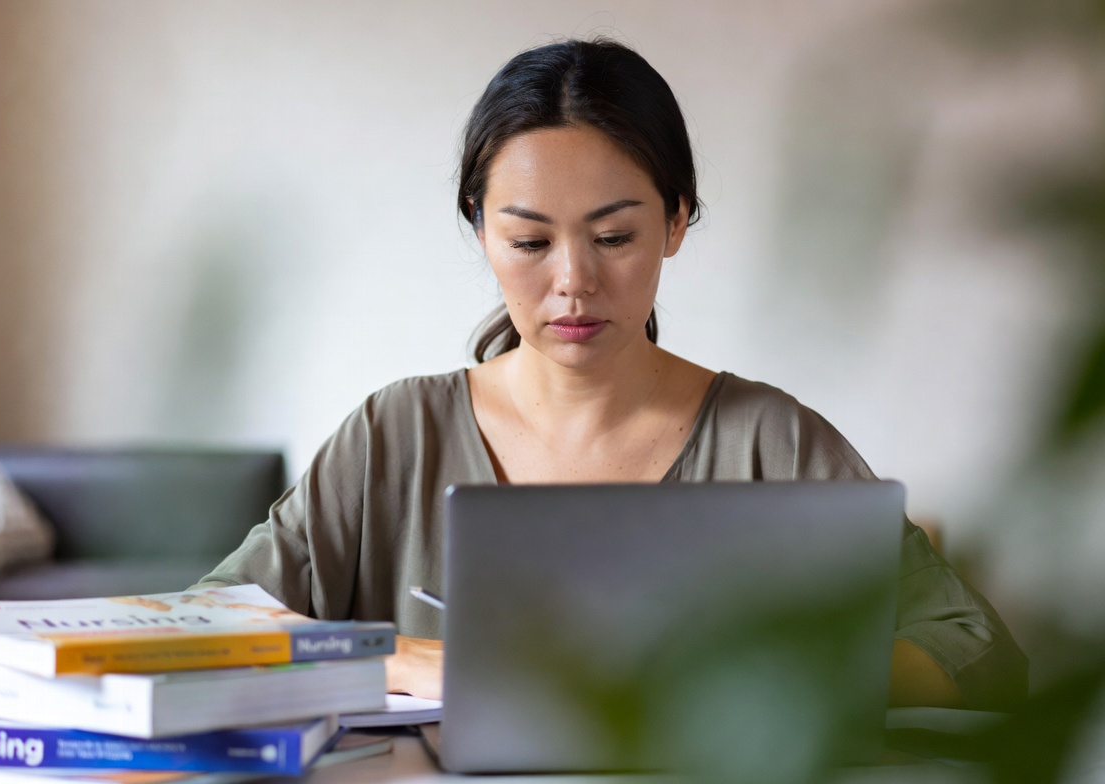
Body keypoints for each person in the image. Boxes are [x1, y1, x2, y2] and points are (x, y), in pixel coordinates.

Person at [195, 38, 1027, 710]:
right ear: (480, 232)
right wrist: (398, 656)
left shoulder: (769, 439)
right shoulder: (391, 437)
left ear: (674, 222)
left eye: (615, 237)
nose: (573, 283)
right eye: (529, 242)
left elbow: (978, 651)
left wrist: (768, 679)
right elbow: (199, 627)